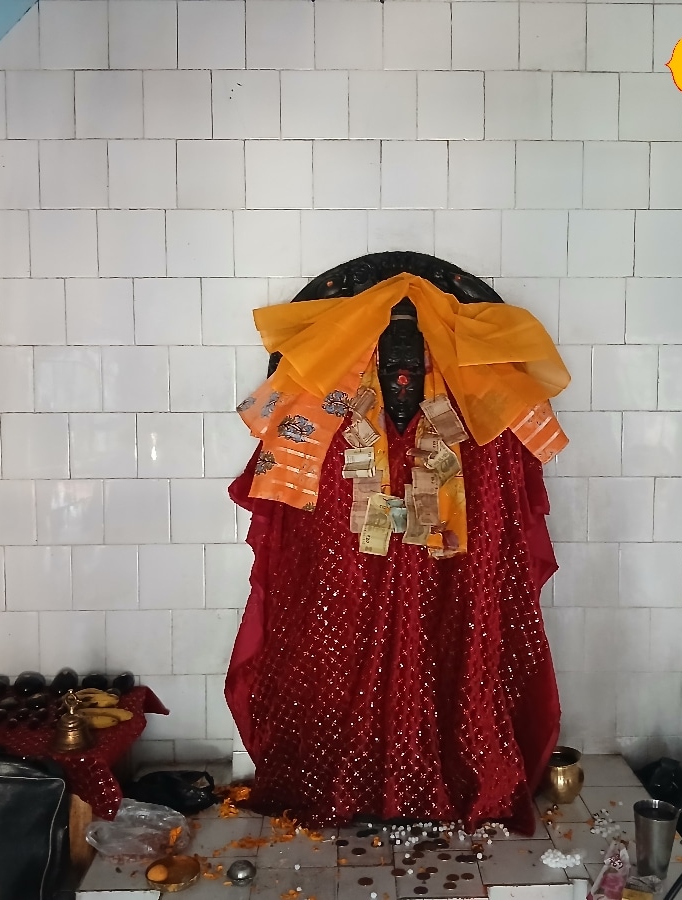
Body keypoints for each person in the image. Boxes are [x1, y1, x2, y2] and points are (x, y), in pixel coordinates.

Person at [225, 266, 569, 833]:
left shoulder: (476, 437)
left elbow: (514, 500)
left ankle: (448, 768)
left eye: (414, 366)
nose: (402, 379)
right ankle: (350, 773)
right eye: (390, 366)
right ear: (370, 369)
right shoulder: (331, 434)